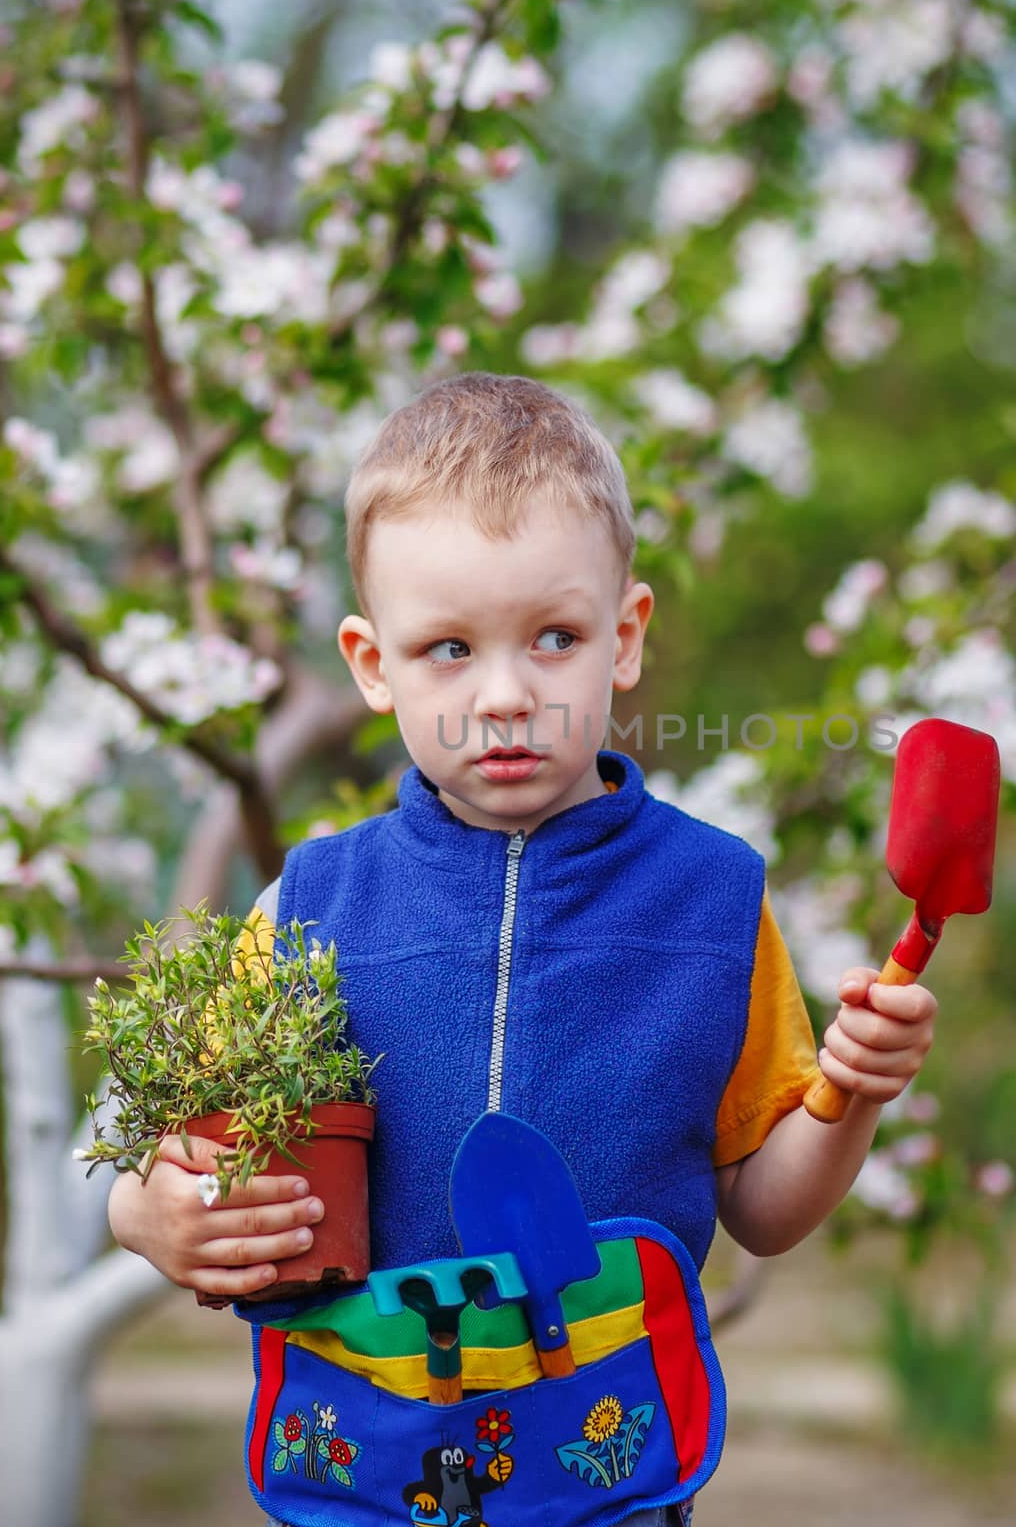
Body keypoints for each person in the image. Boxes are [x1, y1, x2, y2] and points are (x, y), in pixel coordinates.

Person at [106, 372, 940, 1527]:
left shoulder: (712, 901)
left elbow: (765, 1211)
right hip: (364, 1458)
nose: (505, 695)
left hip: (604, 1475)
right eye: (446, 649)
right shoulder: (309, 904)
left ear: (626, 635)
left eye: (555, 637)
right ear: (370, 662)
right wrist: (150, 1214)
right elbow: (175, 1150)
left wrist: (853, 1088)